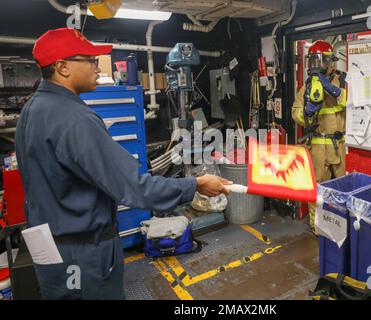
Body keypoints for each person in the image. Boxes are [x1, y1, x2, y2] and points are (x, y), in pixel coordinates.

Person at [15, 28, 231, 300]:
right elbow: (136, 188)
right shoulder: (76, 119)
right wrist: (196, 184)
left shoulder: (31, 110)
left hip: (51, 250)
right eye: (91, 61)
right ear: (62, 67)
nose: (97, 68)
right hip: (84, 253)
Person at [291, 40, 347, 235]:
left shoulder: (343, 81)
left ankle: (341, 223)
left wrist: (334, 90)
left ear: (332, 62)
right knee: (316, 188)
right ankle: (317, 226)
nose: (317, 66)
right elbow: (295, 114)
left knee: (341, 187)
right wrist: (306, 112)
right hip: (316, 145)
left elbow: (353, 103)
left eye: (321, 61)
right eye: (314, 61)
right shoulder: (306, 87)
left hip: (338, 145)